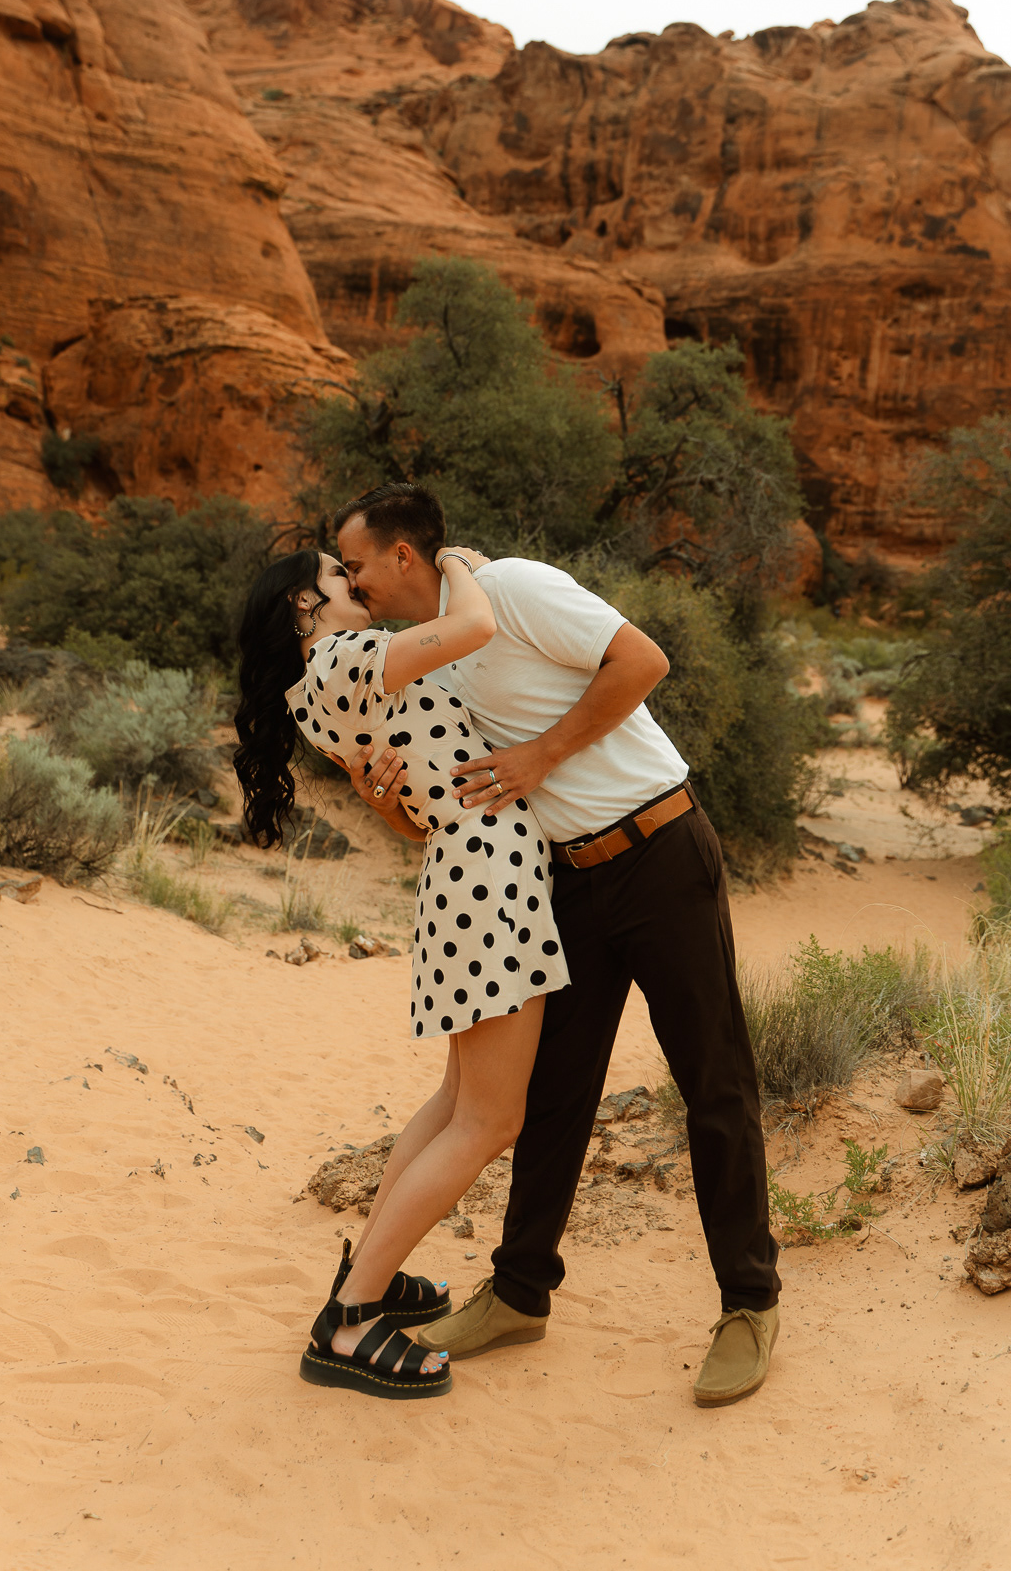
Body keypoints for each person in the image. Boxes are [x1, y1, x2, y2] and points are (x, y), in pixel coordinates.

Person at [335, 482, 781, 1408]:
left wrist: (541, 755)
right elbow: (441, 817)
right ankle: (520, 1293)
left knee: (713, 1079)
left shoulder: (520, 590)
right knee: (550, 1095)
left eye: (356, 564)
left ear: (405, 556)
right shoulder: (427, 661)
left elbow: (643, 660)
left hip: (659, 849)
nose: (352, 582)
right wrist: (383, 796)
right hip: (561, 880)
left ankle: (748, 1303)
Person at [233, 540, 570, 1401]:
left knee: (460, 1104)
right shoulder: (348, 657)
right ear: (305, 612)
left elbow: (409, 801)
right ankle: (349, 1319)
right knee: (490, 1121)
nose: (355, 584)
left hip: (463, 873)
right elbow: (472, 624)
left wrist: (386, 795)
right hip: (487, 877)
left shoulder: (311, 691)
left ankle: (370, 1277)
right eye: (337, 579)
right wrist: (459, 560)